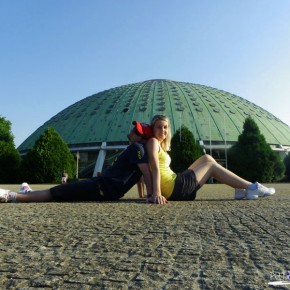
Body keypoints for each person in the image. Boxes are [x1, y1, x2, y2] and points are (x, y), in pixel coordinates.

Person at [0, 122, 153, 203]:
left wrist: (152, 195)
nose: (132, 131)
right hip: (102, 186)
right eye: (134, 129)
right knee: (60, 190)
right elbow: (140, 173)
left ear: (143, 138)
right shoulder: (138, 149)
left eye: (137, 132)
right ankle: (29, 194)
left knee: (56, 192)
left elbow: (145, 172)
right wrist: (144, 194)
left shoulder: (137, 147)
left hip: (102, 187)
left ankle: (11, 196)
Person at [145, 115, 275, 205]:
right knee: (211, 166)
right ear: (153, 128)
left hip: (176, 182)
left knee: (207, 158)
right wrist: (156, 194)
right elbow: (154, 168)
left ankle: (239, 189)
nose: (163, 130)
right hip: (176, 189)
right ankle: (251, 187)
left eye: (165, 127)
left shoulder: (159, 145)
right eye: (159, 127)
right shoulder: (153, 142)